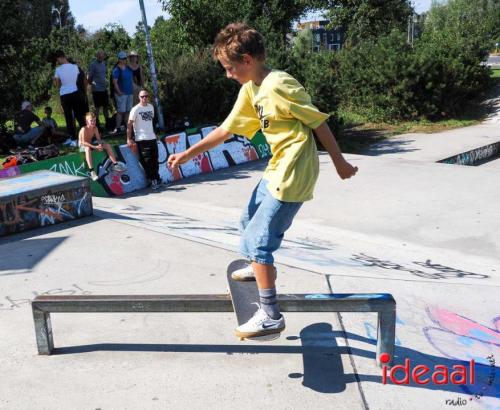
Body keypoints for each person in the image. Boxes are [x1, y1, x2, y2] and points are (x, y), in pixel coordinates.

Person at [168, 23, 358, 339]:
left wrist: (339, 162)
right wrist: (188, 154)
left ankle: (270, 314)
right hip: (276, 167)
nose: (227, 75)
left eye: (229, 68)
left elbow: (318, 123)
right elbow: (226, 130)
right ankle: (260, 267)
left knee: (259, 240)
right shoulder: (250, 90)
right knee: (247, 220)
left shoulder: (280, 84)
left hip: (295, 169)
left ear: (247, 60)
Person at [127, 89, 162, 190]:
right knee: (147, 161)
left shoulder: (151, 107)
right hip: (141, 139)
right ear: (139, 97)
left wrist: (155, 133)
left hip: (152, 137)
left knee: (155, 159)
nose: (144, 98)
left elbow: (152, 122)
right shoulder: (135, 109)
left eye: (146, 96)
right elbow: (129, 124)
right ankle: (152, 180)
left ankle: (157, 178)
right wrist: (128, 138)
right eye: (142, 97)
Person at [78, 112, 126, 181]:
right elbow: (83, 142)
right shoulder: (84, 129)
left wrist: (100, 144)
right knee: (88, 148)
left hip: (90, 143)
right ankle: (92, 171)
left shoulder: (95, 128)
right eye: (91, 121)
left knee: (107, 145)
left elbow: (98, 139)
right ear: (87, 122)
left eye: (94, 120)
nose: (93, 122)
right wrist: (95, 147)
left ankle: (115, 165)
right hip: (83, 145)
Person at [53, 50, 85, 147]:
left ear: (59, 58)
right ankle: (86, 136)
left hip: (65, 95)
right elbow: (79, 79)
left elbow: (57, 85)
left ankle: (73, 139)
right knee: (79, 115)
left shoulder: (58, 70)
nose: (57, 61)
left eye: (57, 59)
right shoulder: (75, 67)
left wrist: (56, 81)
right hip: (76, 93)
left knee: (69, 117)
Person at [111, 51, 134, 134]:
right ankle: (117, 128)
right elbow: (115, 82)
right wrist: (119, 92)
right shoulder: (116, 69)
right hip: (121, 94)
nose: (124, 60)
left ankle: (128, 127)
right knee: (121, 112)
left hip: (129, 93)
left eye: (125, 58)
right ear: (119, 59)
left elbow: (131, 79)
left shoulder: (128, 68)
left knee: (128, 111)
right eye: (122, 58)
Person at [88, 50, 110, 130]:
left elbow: (103, 75)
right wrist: (92, 84)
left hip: (104, 89)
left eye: (102, 56)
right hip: (96, 90)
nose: (101, 58)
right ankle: (97, 125)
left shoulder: (104, 64)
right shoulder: (93, 64)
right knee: (97, 108)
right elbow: (89, 77)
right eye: (99, 56)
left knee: (105, 107)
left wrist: (106, 81)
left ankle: (108, 123)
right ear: (97, 56)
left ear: (104, 56)